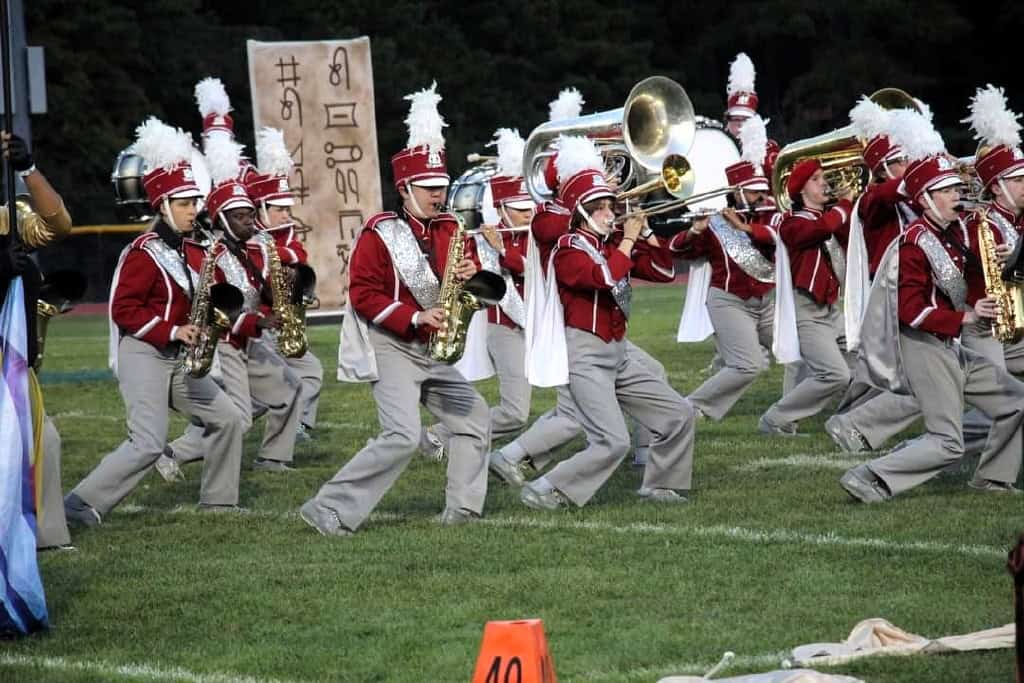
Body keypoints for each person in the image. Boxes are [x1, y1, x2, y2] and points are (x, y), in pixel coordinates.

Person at [304, 83, 490, 535]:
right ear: (405, 187)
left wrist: (471, 273)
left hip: (435, 348)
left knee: (476, 418)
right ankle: (328, 506)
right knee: (403, 436)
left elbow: (472, 278)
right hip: (393, 345)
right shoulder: (379, 232)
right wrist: (413, 317)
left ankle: (462, 510)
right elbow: (363, 294)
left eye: (441, 186)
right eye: (428, 187)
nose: (438, 195)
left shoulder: (451, 227)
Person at [64, 118, 246, 526]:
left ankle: (219, 502)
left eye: (195, 202)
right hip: (144, 351)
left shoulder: (198, 248)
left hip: (180, 356)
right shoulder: (143, 251)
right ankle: (79, 504)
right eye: (184, 203)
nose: (193, 210)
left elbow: (212, 295)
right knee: (147, 443)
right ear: (162, 205)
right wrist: (171, 329)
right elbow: (124, 310)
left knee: (228, 418)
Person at [518, 135, 695, 510]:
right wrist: (628, 241)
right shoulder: (567, 249)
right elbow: (603, 278)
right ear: (581, 211)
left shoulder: (609, 244)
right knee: (612, 441)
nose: (610, 214)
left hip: (619, 354)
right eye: (599, 208)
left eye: (610, 206)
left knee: (679, 413)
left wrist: (644, 233)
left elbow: (663, 271)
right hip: (585, 356)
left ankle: (660, 484)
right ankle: (547, 487)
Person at [840, 152, 1024, 502]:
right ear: (924, 198)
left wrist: (1003, 264)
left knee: (1017, 401)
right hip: (923, 345)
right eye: (947, 189)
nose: (958, 195)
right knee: (947, 443)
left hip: (951, 344)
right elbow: (909, 310)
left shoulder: (953, 232)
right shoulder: (914, 243)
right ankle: (868, 476)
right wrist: (967, 317)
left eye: (957, 187)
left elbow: (971, 276)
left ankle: (993, 480)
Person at [164, 132, 303, 474]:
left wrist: (283, 292)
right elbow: (218, 308)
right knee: (238, 419)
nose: (248, 221)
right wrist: (260, 322)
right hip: (224, 343)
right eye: (239, 216)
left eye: (250, 214)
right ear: (222, 219)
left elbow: (266, 291)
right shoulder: (209, 254)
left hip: (251, 338)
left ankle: (273, 457)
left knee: (290, 388)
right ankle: (173, 453)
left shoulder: (261, 247)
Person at [671, 115, 788, 421]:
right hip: (729, 301)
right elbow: (678, 249)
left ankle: (788, 413)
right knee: (747, 364)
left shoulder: (769, 215)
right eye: (752, 192)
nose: (760, 198)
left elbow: (778, 238)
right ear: (736, 191)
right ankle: (692, 407)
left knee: (799, 351)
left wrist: (748, 229)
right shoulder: (716, 221)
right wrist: (695, 230)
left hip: (767, 301)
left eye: (762, 191)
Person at [427, 129, 533, 457]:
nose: (528, 213)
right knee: (516, 411)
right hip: (505, 327)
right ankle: (439, 435)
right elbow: (493, 285)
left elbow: (539, 274)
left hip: (539, 326)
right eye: (519, 208)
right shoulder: (485, 238)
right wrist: (499, 250)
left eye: (530, 206)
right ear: (501, 208)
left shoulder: (533, 233)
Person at [0, 131, 74, 548]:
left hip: (13, 361)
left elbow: (58, 225)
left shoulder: (8, 218)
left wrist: (27, 169)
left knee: (44, 441)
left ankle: (44, 536)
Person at [759, 159, 855, 435]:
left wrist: (852, 204)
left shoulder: (829, 217)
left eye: (823, 177)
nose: (824, 182)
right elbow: (822, 229)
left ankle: (851, 420)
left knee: (865, 364)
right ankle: (776, 418)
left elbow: (848, 235)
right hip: (806, 308)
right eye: (816, 179)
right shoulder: (792, 223)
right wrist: (844, 204)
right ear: (801, 190)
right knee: (835, 374)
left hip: (830, 308)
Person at [247, 126, 323, 441]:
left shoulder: (284, 234)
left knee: (311, 371)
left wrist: (279, 254)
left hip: (285, 323)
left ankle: (298, 427)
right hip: (260, 324)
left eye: (286, 208)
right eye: (278, 208)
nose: (285, 214)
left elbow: (299, 259)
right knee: (256, 400)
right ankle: (190, 442)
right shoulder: (247, 234)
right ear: (261, 209)